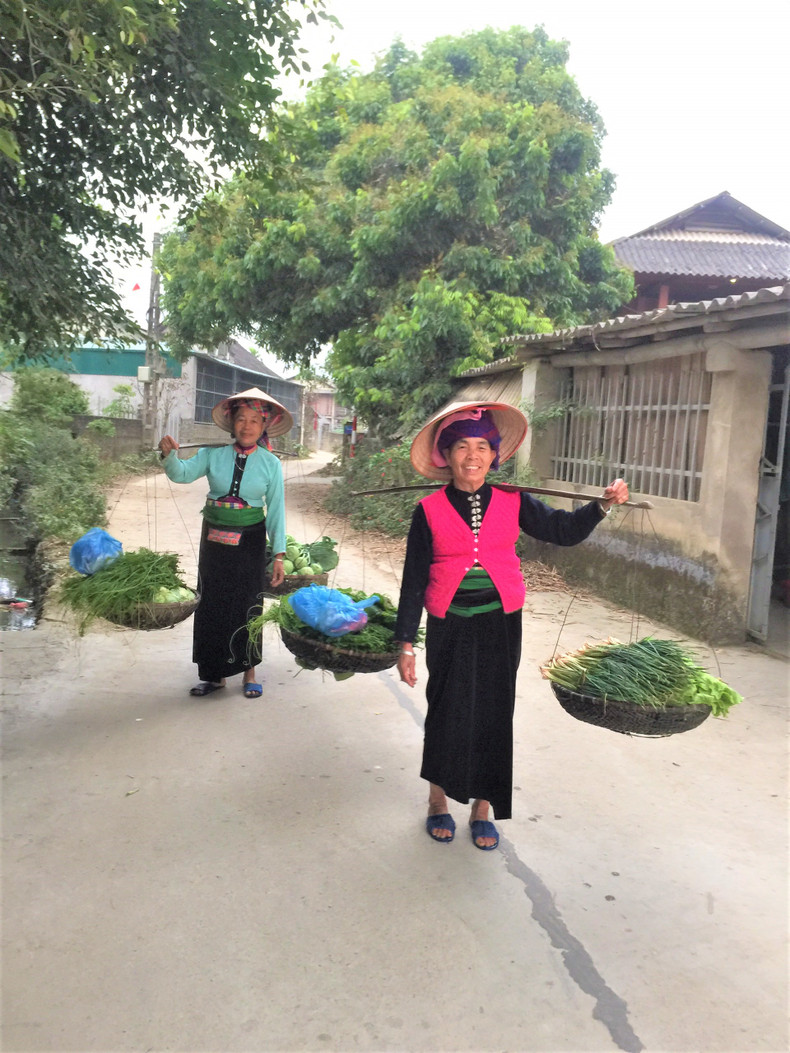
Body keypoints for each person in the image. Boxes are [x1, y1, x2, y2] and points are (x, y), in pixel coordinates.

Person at [394, 401, 629, 850]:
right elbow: (414, 580)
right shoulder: (428, 510)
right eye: (462, 446)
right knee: (446, 711)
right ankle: (438, 799)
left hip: (499, 624)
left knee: (494, 713)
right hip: (449, 624)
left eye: (482, 447)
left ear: (493, 455)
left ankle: (483, 807)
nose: (472, 456)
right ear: (447, 455)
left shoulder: (513, 500)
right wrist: (405, 642)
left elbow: (562, 530)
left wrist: (601, 505)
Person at [158, 387, 290, 698]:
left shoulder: (270, 464)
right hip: (214, 541)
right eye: (241, 419)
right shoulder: (212, 455)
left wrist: (279, 554)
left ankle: (249, 672)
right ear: (232, 423)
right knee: (212, 603)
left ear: (264, 426)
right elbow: (181, 474)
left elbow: (276, 510)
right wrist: (168, 455)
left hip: (250, 542)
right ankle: (213, 675)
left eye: (254, 420)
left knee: (248, 604)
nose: (247, 426)